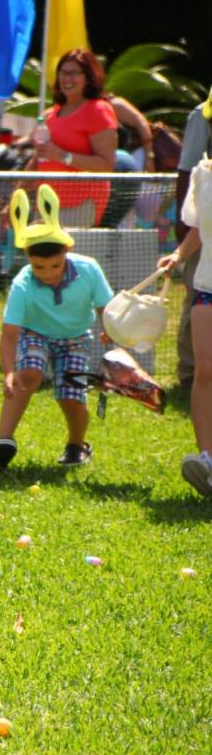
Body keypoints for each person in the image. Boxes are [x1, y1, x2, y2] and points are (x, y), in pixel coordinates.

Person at [0, 184, 114, 470]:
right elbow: (9, 337)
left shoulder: (89, 269)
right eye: (38, 267)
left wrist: (110, 328)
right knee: (27, 375)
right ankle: (3, 442)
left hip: (76, 338)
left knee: (70, 394)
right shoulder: (22, 284)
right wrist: (8, 373)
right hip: (35, 334)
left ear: (67, 250)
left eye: (55, 266)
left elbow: (107, 308)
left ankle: (77, 445)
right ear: (27, 257)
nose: (48, 274)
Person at [160, 158, 212, 494]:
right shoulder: (202, 173)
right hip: (207, 287)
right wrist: (179, 255)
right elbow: (199, 227)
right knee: (205, 371)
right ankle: (207, 460)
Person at [31, 49, 118, 226]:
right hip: (44, 204)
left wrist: (62, 156)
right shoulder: (50, 114)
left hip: (79, 205)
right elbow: (37, 160)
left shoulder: (98, 110)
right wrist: (17, 193)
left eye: (74, 73)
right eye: (63, 73)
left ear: (88, 78)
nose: (67, 79)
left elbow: (106, 165)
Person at [172, 90, 212, 386]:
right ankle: (190, 372)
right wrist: (181, 249)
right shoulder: (202, 112)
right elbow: (186, 169)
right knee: (194, 294)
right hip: (207, 280)